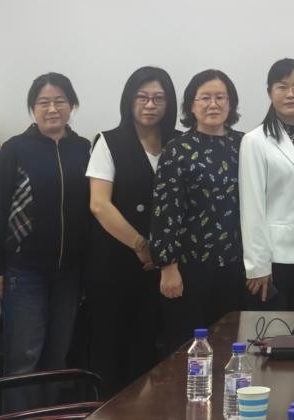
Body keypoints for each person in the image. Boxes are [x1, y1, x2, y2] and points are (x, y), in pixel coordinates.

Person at [0, 72, 92, 410]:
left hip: (69, 273)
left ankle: (49, 415)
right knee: (24, 357)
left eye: (60, 101)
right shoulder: (16, 149)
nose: (52, 108)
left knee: (57, 355)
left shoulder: (84, 149)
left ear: (72, 106)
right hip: (23, 271)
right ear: (33, 108)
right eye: (43, 102)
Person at [86, 66, 178, 397]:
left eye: (158, 98)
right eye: (142, 97)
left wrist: (162, 254)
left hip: (167, 267)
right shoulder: (109, 142)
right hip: (117, 263)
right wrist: (141, 245)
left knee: (154, 349)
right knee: (114, 349)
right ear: (129, 100)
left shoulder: (179, 142)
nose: (150, 105)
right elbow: (99, 204)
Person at [151, 69, 247, 350]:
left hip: (238, 267)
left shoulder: (246, 144)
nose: (213, 104)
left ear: (231, 104)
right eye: (204, 98)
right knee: (189, 350)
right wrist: (168, 267)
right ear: (191, 106)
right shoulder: (177, 150)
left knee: (233, 345)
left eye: (220, 97)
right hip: (190, 268)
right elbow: (165, 211)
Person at [240, 58, 294, 310]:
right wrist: (257, 266)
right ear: (270, 92)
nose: (291, 94)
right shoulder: (254, 141)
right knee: (277, 329)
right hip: (276, 257)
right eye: (282, 87)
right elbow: (251, 207)